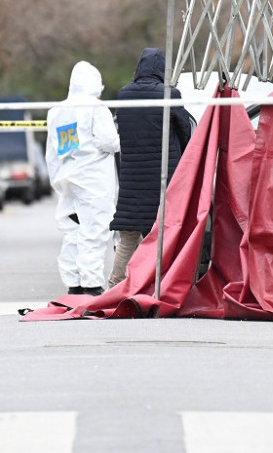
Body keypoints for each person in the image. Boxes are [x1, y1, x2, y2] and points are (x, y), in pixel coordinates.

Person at [107, 49, 195, 287]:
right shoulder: (169, 94)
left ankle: (115, 284)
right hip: (164, 177)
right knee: (163, 236)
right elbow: (185, 128)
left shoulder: (123, 95)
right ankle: (160, 285)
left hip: (132, 178)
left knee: (128, 236)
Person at [45, 61, 121, 295]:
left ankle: (73, 282)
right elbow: (109, 142)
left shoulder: (56, 111)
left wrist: (57, 180)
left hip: (67, 178)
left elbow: (52, 151)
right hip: (94, 180)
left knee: (73, 231)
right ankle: (92, 284)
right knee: (95, 231)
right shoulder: (96, 108)